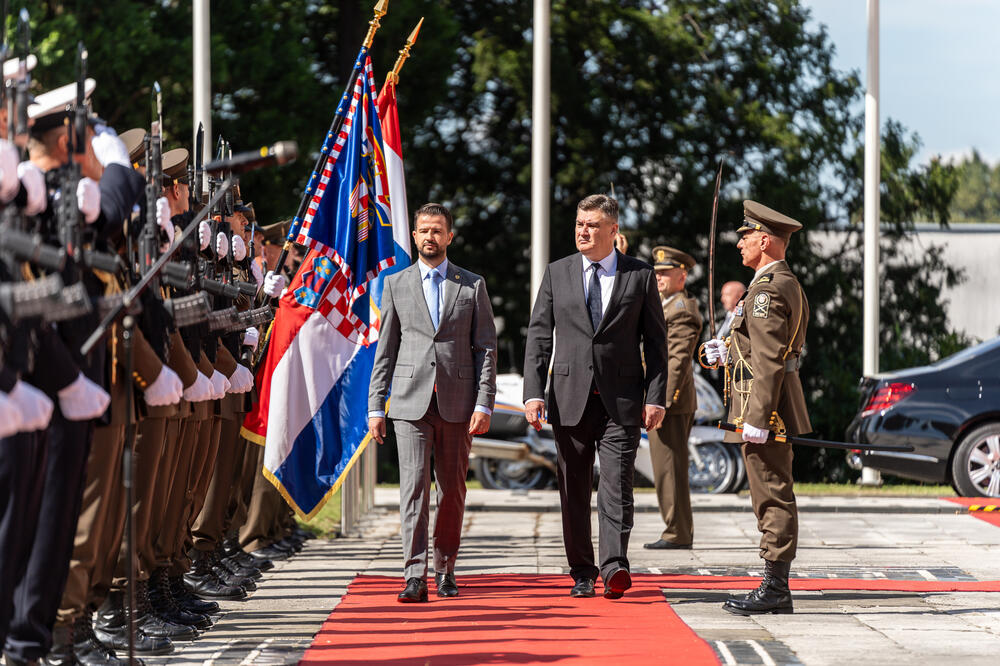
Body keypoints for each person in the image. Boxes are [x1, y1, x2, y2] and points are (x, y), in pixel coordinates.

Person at [522, 194, 667, 600]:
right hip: (569, 397)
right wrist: (533, 393)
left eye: (592, 225)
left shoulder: (639, 275)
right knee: (573, 488)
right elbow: (539, 335)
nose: (583, 231)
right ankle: (582, 571)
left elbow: (657, 343)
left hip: (622, 400)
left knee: (617, 485)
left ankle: (614, 565)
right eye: (579, 224)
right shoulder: (558, 272)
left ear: (613, 230)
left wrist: (656, 396)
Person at [368, 202, 497, 603]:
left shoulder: (471, 285)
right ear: (414, 235)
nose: (430, 237)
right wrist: (376, 405)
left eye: (437, 230)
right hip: (410, 404)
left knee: (452, 491)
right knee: (413, 490)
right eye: (423, 230)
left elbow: (486, 348)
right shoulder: (396, 284)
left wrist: (484, 403)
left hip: (458, 404)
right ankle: (414, 575)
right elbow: (386, 350)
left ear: (449, 236)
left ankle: (445, 569)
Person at [703, 200, 811, 616]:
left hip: (765, 410)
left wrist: (759, 418)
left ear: (764, 240)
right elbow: (756, 350)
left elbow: (768, 361)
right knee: (769, 491)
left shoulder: (768, 290)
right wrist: (723, 351)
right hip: (762, 407)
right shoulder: (774, 283)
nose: (739, 244)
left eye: (745, 236)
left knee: (771, 494)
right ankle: (774, 583)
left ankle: (776, 588)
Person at [643, 246, 702, 551]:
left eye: (666, 273)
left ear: (682, 276)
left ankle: (677, 531)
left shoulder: (681, 309)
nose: (659, 278)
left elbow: (676, 360)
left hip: (670, 402)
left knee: (670, 468)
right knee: (666, 466)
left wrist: (661, 402)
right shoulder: (666, 305)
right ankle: (676, 528)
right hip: (663, 398)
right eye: (657, 273)